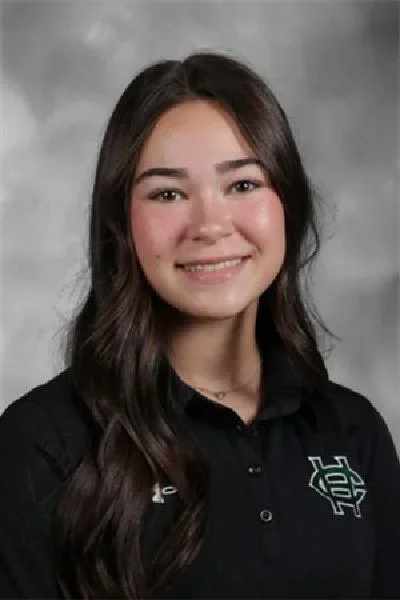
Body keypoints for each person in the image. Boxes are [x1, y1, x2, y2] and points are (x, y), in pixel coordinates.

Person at [0, 50, 399, 600]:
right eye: (168, 194)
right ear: (121, 225)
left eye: (243, 185)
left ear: (287, 203)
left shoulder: (353, 431)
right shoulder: (42, 443)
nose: (209, 225)